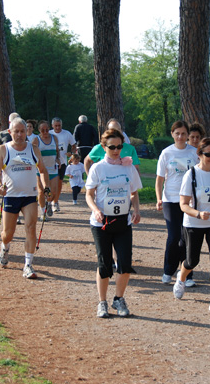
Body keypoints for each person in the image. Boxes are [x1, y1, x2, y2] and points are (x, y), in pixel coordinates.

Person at [85, 128, 142, 318]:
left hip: (123, 222)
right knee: (104, 264)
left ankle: (118, 299)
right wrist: (96, 209)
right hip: (101, 222)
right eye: (112, 147)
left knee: (125, 264)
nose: (116, 150)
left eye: (119, 147)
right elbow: (89, 195)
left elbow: (134, 192)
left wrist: (136, 209)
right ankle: (102, 302)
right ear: (104, 147)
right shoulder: (98, 168)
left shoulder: (128, 167)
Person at [173, 138, 210, 313]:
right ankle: (181, 278)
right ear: (199, 155)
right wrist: (198, 213)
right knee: (192, 260)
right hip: (194, 223)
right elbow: (183, 205)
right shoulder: (191, 175)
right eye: (208, 154)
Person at [0, 117, 51, 279]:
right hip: (11, 196)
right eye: (16, 131)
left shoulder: (33, 149)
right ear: (10, 132)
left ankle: (28, 265)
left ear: (27, 132)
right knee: (7, 233)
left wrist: (46, 186)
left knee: (31, 228)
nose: (19, 135)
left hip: (30, 196)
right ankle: (5, 248)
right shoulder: (3, 149)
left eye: (22, 131)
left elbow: (43, 170)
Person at [156, 121, 199, 287]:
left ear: (187, 135)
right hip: (171, 199)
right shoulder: (166, 153)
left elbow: (200, 175)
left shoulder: (194, 153)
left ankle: (187, 273)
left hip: (189, 200)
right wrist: (159, 198)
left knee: (186, 238)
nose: (180, 137)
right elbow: (160, 179)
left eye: (183, 133)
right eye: (177, 133)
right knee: (174, 237)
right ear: (172, 134)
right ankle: (168, 270)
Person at [33, 120, 60, 219]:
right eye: (43, 130)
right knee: (41, 191)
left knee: (53, 192)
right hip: (40, 170)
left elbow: (57, 151)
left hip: (53, 169)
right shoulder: (36, 140)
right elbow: (32, 153)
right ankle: (42, 212)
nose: (45, 132)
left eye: (47, 130)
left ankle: (48, 203)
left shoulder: (54, 138)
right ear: (39, 130)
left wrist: (58, 159)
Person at [50, 117, 76, 212]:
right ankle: (49, 201)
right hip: (51, 162)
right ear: (52, 125)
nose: (57, 127)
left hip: (63, 162)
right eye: (55, 126)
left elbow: (74, 145)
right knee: (50, 183)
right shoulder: (49, 134)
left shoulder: (67, 134)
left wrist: (71, 153)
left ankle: (55, 202)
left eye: (59, 125)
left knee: (59, 183)